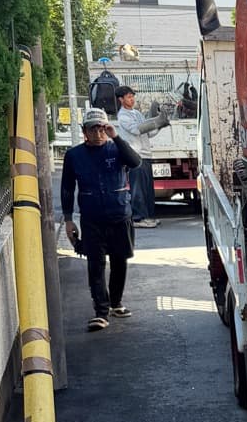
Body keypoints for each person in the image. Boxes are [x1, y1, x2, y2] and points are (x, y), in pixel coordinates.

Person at [60, 109, 139, 331]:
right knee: (95, 264)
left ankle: (116, 303)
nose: (97, 133)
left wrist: (116, 136)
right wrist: (68, 219)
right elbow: (67, 188)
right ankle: (101, 312)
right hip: (92, 219)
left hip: (119, 215)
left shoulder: (117, 149)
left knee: (120, 261)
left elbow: (135, 162)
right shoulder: (74, 156)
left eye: (101, 128)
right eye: (92, 129)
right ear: (84, 131)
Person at [114, 86, 170, 228]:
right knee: (138, 189)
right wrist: (157, 121)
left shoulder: (137, 113)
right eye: (128, 97)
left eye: (132, 96)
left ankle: (149, 216)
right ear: (121, 99)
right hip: (135, 155)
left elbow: (148, 133)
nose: (132, 99)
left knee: (147, 189)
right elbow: (136, 130)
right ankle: (138, 218)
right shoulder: (123, 116)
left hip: (145, 155)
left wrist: (159, 126)